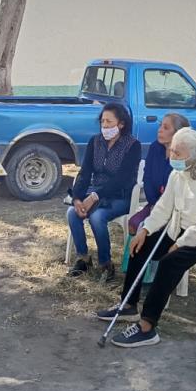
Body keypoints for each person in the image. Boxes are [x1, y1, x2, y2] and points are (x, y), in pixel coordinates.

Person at [96, 127, 196, 348]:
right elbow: (163, 208)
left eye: (178, 153)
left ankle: (147, 326)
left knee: (170, 262)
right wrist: (145, 230)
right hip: (184, 229)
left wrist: (180, 244)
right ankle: (128, 304)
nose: (172, 157)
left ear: (195, 154)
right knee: (138, 246)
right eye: (172, 151)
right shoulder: (178, 174)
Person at [67, 102, 141, 282]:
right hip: (94, 191)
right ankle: (83, 258)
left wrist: (94, 197)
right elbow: (85, 173)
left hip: (120, 195)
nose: (105, 126)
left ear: (121, 124)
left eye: (109, 122)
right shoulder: (95, 142)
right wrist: (77, 198)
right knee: (72, 213)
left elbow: (122, 179)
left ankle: (105, 264)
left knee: (97, 217)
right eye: (102, 122)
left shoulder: (132, 145)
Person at [127, 113, 189, 234]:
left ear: (178, 133)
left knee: (155, 232)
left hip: (176, 209)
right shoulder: (155, 147)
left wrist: (161, 208)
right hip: (154, 204)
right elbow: (147, 177)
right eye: (160, 126)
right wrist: (154, 203)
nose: (160, 130)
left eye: (166, 128)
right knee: (133, 223)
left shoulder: (183, 155)